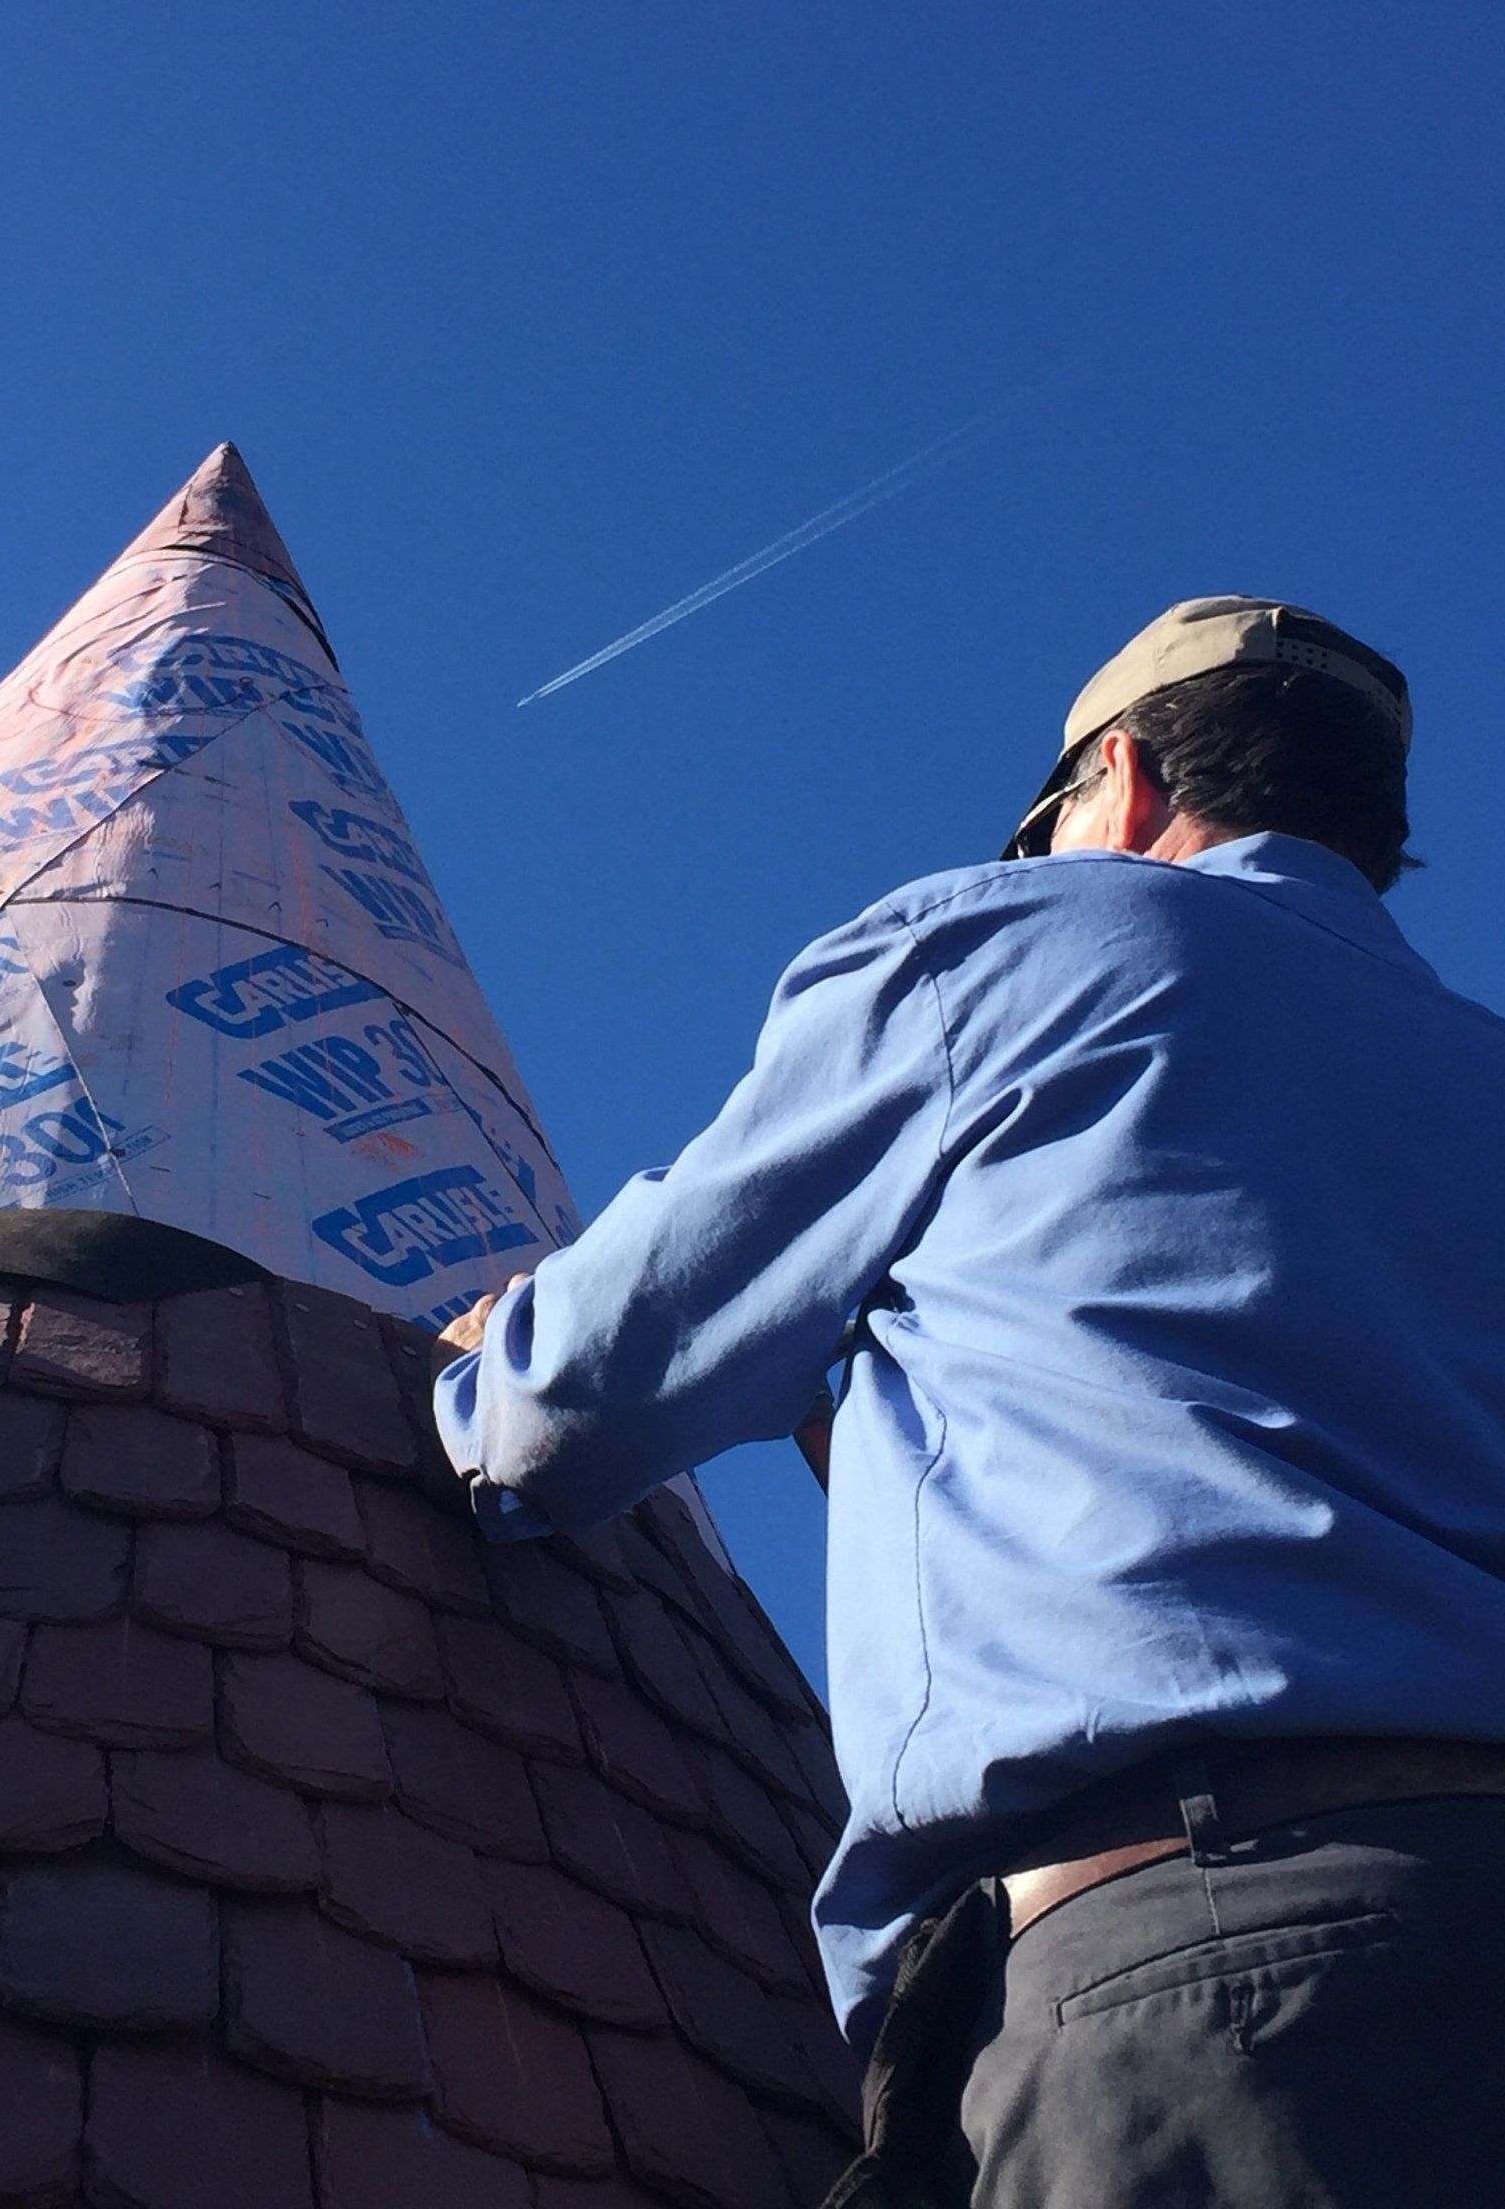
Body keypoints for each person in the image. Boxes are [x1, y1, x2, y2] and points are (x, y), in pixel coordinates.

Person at [433, 596, 1505, 2209]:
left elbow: (574, 1400)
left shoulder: (1023, 947)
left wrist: (480, 1360)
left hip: (1220, 1968)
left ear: (1123, 783)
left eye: (1047, 830)